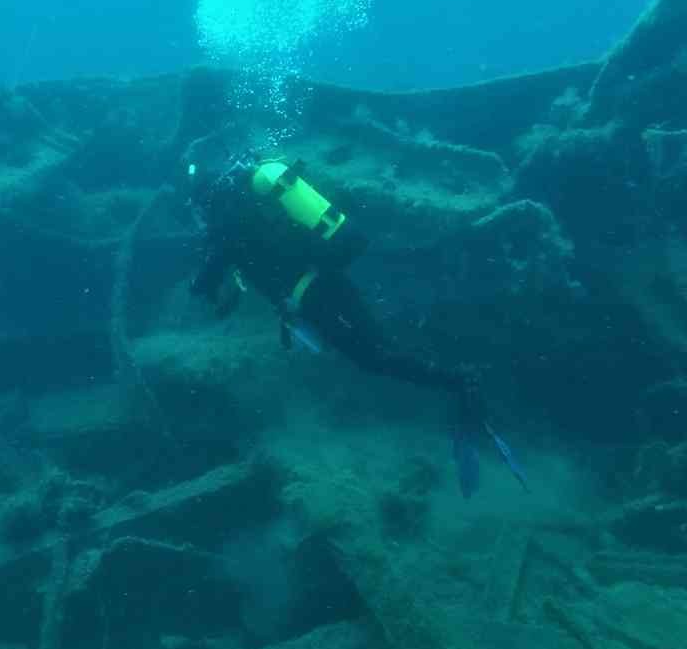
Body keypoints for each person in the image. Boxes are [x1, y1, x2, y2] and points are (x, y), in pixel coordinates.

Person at [184, 150, 526, 497]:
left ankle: (458, 381)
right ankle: (460, 385)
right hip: (328, 276)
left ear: (203, 201)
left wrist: (200, 277)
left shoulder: (224, 220)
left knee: (372, 359)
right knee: (382, 346)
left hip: (311, 298)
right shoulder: (248, 201)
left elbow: (206, 281)